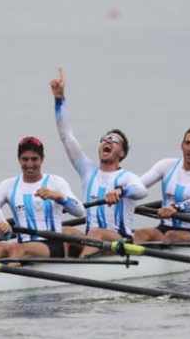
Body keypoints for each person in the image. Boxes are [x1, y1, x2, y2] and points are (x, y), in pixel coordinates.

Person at [50, 68, 148, 257]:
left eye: (114, 140)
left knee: (95, 232)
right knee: (61, 230)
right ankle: (58, 265)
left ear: (122, 153)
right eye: (105, 138)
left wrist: (121, 191)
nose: (108, 141)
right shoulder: (87, 171)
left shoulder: (127, 177)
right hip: (92, 239)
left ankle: (80, 267)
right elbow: (66, 136)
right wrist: (59, 99)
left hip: (121, 241)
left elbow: (142, 190)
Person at [0, 136, 85, 260]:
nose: (29, 164)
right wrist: (3, 230)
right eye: (25, 159)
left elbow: (80, 211)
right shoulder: (8, 185)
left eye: (34, 159)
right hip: (22, 244)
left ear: (42, 159)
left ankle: (13, 276)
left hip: (53, 244)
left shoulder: (56, 182)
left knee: (18, 248)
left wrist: (58, 197)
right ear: (19, 159)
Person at [135, 127, 190, 243]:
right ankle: (140, 260)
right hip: (164, 229)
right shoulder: (166, 165)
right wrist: (119, 192)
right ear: (182, 146)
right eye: (187, 143)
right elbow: (138, 184)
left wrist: (176, 208)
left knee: (171, 236)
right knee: (141, 233)